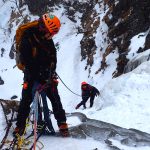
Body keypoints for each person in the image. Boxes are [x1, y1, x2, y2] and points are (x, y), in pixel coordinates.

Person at [13, 13, 69, 137]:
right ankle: (20, 126)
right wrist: (41, 72)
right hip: (31, 73)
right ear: (44, 28)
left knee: (54, 96)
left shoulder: (47, 39)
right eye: (52, 33)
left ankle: (62, 122)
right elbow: (27, 60)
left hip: (45, 73)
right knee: (26, 98)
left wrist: (51, 70)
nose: (52, 36)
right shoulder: (27, 38)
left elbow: (53, 55)